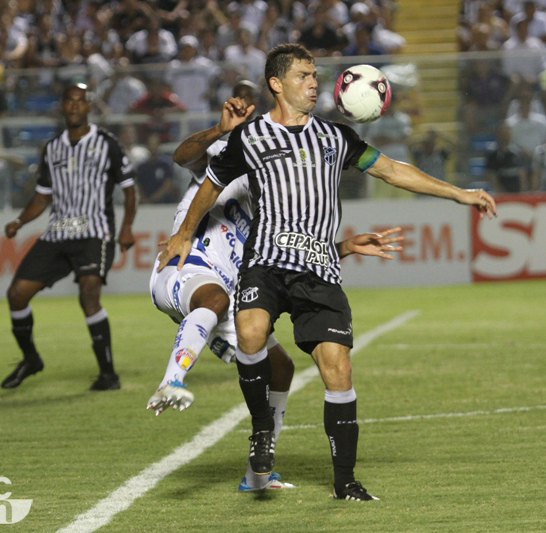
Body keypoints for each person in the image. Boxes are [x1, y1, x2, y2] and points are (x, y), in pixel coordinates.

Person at [158, 43, 497, 501]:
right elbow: (210, 184)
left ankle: (345, 482)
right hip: (265, 262)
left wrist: (460, 193)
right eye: (303, 75)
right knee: (251, 332)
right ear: (277, 84)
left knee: (338, 370)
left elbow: (392, 170)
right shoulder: (250, 138)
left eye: (315, 75)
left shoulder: (337, 138)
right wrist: (183, 234)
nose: (314, 83)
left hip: (318, 269)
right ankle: (262, 431)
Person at [148, 79, 405, 492]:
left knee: (280, 366)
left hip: (232, 292)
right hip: (185, 266)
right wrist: (219, 130)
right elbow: (183, 156)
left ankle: (258, 475)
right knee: (214, 298)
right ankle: (171, 382)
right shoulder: (228, 160)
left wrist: (345, 247)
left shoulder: (275, 198)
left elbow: (293, 254)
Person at [0, 83, 137, 391]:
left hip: (94, 231)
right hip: (58, 232)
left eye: (80, 101)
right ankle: (31, 359)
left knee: (88, 293)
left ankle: (108, 375)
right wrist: (20, 221)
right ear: (62, 106)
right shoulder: (52, 148)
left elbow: (129, 189)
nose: (75, 106)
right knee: (17, 294)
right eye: (69, 101)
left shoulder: (107, 143)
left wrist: (127, 227)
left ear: (89, 106)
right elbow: (42, 196)